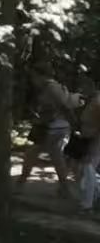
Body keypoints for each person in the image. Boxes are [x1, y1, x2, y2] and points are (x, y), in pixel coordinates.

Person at [16, 65, 79, 199]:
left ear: (41, 75)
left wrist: (72, 123)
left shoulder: (52, 87)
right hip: (48, 127)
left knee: (48, 156)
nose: (32, 80)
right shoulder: (46, 88)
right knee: (38, 155)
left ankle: (65, 189)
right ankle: (64, 189)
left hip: (55, 128)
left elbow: (64, 106)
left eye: (34, 76)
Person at [72, 76, 99, 215]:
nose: (82, 90)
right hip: (86, 138)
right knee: (83, 168)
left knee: (88, 169)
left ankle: (87, 205)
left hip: (94, 140)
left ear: (91, 87)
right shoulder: (90, 101)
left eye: (85, 87)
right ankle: (90, 199)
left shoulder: (97, 102)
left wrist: (94, 142)